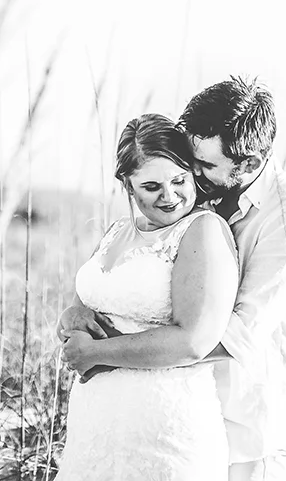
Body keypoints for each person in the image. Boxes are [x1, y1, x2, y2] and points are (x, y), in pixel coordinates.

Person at [61, 78, 286, 481]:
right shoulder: (199, 193)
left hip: (250, 426)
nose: (190, 175)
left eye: (202, 166)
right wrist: (79, 316)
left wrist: (102, 352)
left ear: (250, 164)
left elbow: (230, 335)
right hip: (170, 409)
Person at [53, 114, 240, 480]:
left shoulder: (201, 232)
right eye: (152, 186)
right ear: (128, 185)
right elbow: (84, 306)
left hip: (164, 429)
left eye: (179, 180)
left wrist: (93, 353)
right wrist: (68, 320)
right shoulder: (117, 231)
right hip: (96, 428)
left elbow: (193, 340)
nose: (170, 196)